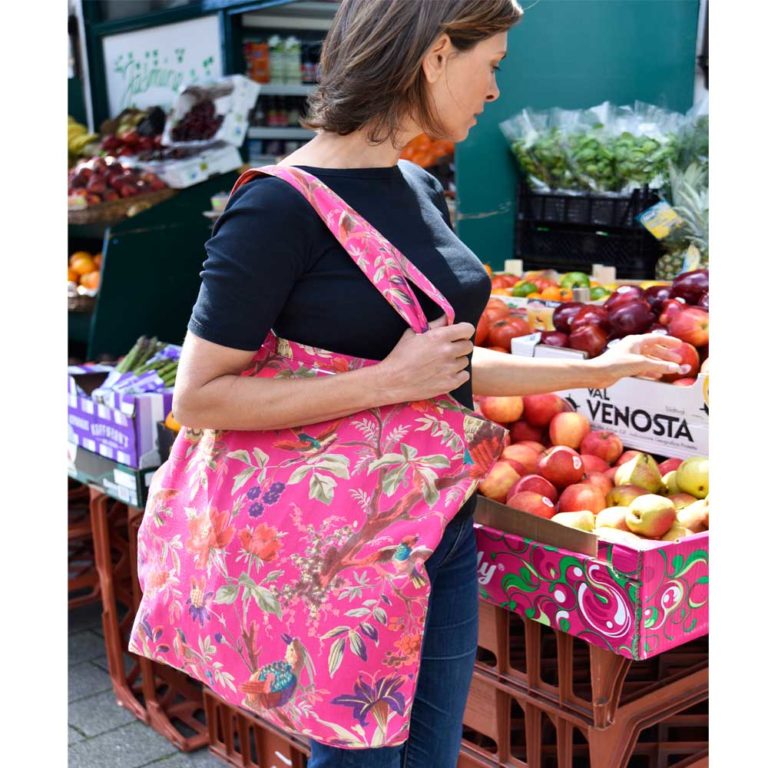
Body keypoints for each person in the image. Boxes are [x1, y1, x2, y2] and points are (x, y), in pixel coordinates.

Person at [173, 1, 687, 765]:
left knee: (430, 757)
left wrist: (597, 368)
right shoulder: (274, 207)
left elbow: (440, 370)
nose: (494, 92)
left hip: (435, 529)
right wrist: (386, 382)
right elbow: (199, 397)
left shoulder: (417, 185)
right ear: (438, 54)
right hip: (341, 550)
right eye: (493, 66)